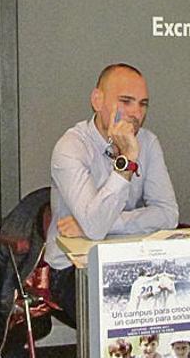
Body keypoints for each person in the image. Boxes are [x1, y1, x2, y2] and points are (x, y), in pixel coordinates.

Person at [45, 63, 179, 327]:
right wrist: (127, 160)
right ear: (97, 100)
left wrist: (111, 223)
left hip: (129, 258)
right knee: (124, 321)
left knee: (175, 305)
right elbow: (94, 227)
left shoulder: (149, 143)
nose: (136, 113)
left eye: (142, 104)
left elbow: (168, 213)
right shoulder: (71, 147)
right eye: (126, 101)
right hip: (74, 267)